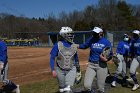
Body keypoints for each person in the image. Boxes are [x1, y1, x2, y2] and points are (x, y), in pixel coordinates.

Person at [78, 27, 113, 93]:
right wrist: (77, 46)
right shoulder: (91, 39)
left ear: (101, 33)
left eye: (96, 33)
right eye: (93, 32)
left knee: (100, 88)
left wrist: (106, 59)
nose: (94, 34)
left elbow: (110, 55)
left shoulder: (106, 42)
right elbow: (85, 46)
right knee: (86, 86)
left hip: (101, 66)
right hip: (91, 65)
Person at [50, 27, 81, 93]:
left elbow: (76, 58)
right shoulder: (57, 45)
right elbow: (52, 58)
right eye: (69, 34)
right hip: (59, 69)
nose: (72, 35)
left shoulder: (74, 45)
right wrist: (52, 70)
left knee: (68, 89)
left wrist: (78, 70)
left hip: (71, 69)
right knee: (62, 89)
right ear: (64, 35)